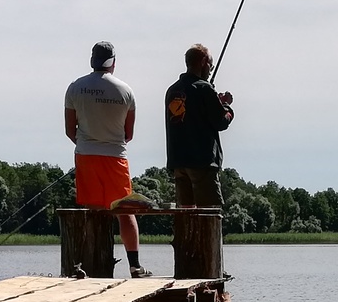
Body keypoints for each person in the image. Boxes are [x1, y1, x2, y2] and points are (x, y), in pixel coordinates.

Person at [64, 41, 150, 277]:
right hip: (116, 157)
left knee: (93, 211)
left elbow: (70, 129)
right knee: (125, 210)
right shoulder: (126, 91)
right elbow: (128, 134)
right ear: (113, 62)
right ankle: (135, 265)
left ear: (92, 60)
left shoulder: (75, 88)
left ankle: (89, 265)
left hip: (85, 155)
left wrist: (86, 144)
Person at [163, 43, 233, 208]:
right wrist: (228, 108)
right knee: (209, 213)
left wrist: (215, 101)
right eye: (210, 65)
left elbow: (192, 111)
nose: (210, 69)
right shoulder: (205, 89)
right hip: (202, 163)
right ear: (203, 62)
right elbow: (221, 121)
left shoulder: (172, 90)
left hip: (178, 162)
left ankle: (184, 235)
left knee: (186, 214)